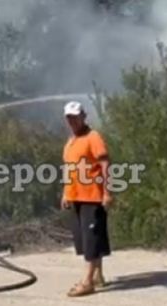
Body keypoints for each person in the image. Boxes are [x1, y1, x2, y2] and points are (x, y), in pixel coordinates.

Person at [61, 101, 112, 297]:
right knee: (86, 241)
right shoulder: (71, 141)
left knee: (91, 240)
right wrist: (66, 193)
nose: (72, 121)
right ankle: (98, 275)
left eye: (75, 117)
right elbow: (69, 168)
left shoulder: (93, 137)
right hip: (76, 198)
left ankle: (87, 282)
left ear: (83, 116)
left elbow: (105, 164)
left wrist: (107, 192)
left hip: (92, 197)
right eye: (69, 118)